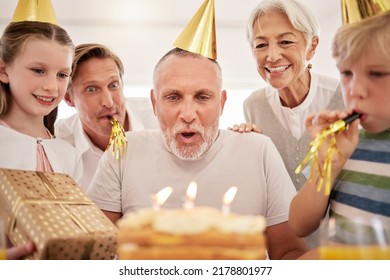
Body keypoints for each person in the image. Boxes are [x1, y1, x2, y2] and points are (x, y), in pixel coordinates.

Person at [87, 48, 308, 260]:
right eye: (173, 97)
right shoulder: (123, 150)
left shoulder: (258, 150)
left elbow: (289, 252)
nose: (188, 115)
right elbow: (94, 254)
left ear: (221, 103)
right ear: (154, 103)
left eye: (202, 97)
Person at [289, 12, 390, 258]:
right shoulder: (345, 140)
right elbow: (299, 225)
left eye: (376, 74)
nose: (354, 89)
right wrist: (327, 165)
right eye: (346, 73)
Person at [241, 0, 344, 191]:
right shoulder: (253, 105)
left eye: (286, 42)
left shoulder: (343, 97)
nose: (272, 56)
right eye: (261, 44)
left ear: (312, 47)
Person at [0, 20, 82, 259]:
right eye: (38, 70)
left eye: (62, 74)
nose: (51, 86)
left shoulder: (69, 154)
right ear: (3, 70)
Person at [55, 43, 159, 191]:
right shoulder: (58, 143)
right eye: (91, 89)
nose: (108, 102)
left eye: (113, 85)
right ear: (68, 98)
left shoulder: (158, 120)